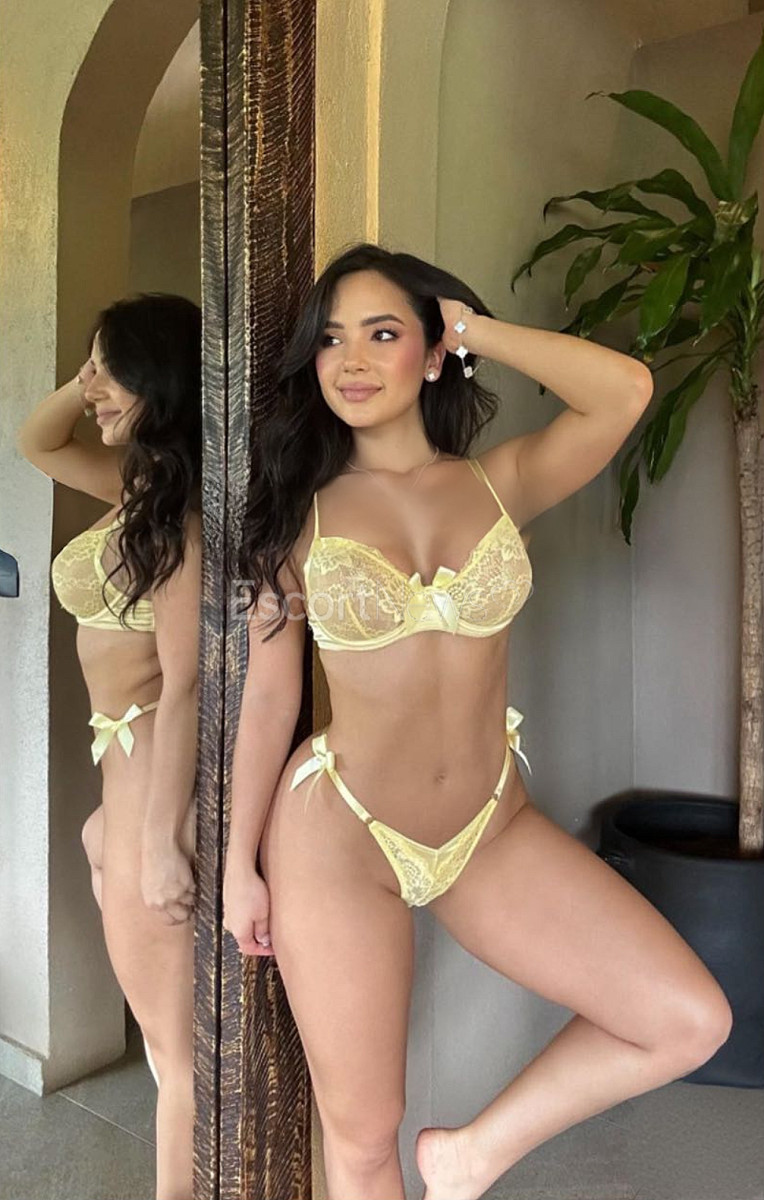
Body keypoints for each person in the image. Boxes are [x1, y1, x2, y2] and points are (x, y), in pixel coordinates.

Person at [222, 244, 732, 1200]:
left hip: (487, 828)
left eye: (382, 333)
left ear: (431, 353)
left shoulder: (500, 483)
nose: (351, 360)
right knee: (361, 1135)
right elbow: (270, 698)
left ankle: (468, 1157)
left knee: (687, 1017)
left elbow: (623, 391)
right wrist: (238, 863)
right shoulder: (298, 517)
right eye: (331, 339)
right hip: (341, 837)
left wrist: (476, 331)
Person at [17, 293, 201, 1200]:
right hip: (121, 792)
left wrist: (160, 840)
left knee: (181, 1055)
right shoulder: (142, 485)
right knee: (172, 1051)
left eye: (110, 369)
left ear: (161, 380)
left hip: (149, 791)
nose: (91, 389)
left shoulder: (182, 515)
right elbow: (37, 442)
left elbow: (188, 682)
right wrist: (90, 372)